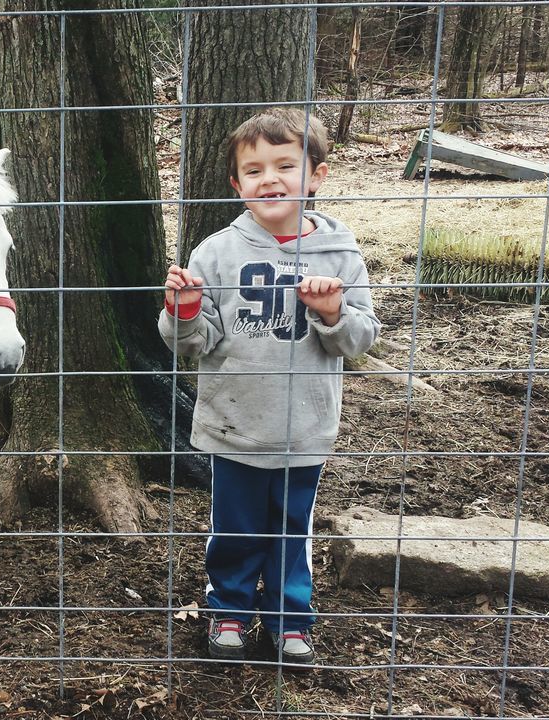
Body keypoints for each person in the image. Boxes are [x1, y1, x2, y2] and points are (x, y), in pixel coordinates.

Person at [158, 108, 380, 665]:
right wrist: (181, 310)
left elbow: (359, 339)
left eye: (286, 164)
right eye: (254, 170)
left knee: (290, 530)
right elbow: (193, 341)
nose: (270, 179)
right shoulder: (215, 252)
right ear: (237, 184)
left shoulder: (341, 251)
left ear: (318, 175)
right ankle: (228, 611)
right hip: (233, 426)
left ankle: (289, 620)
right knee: (232, 528)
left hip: (304, 428)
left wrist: (332, 313)